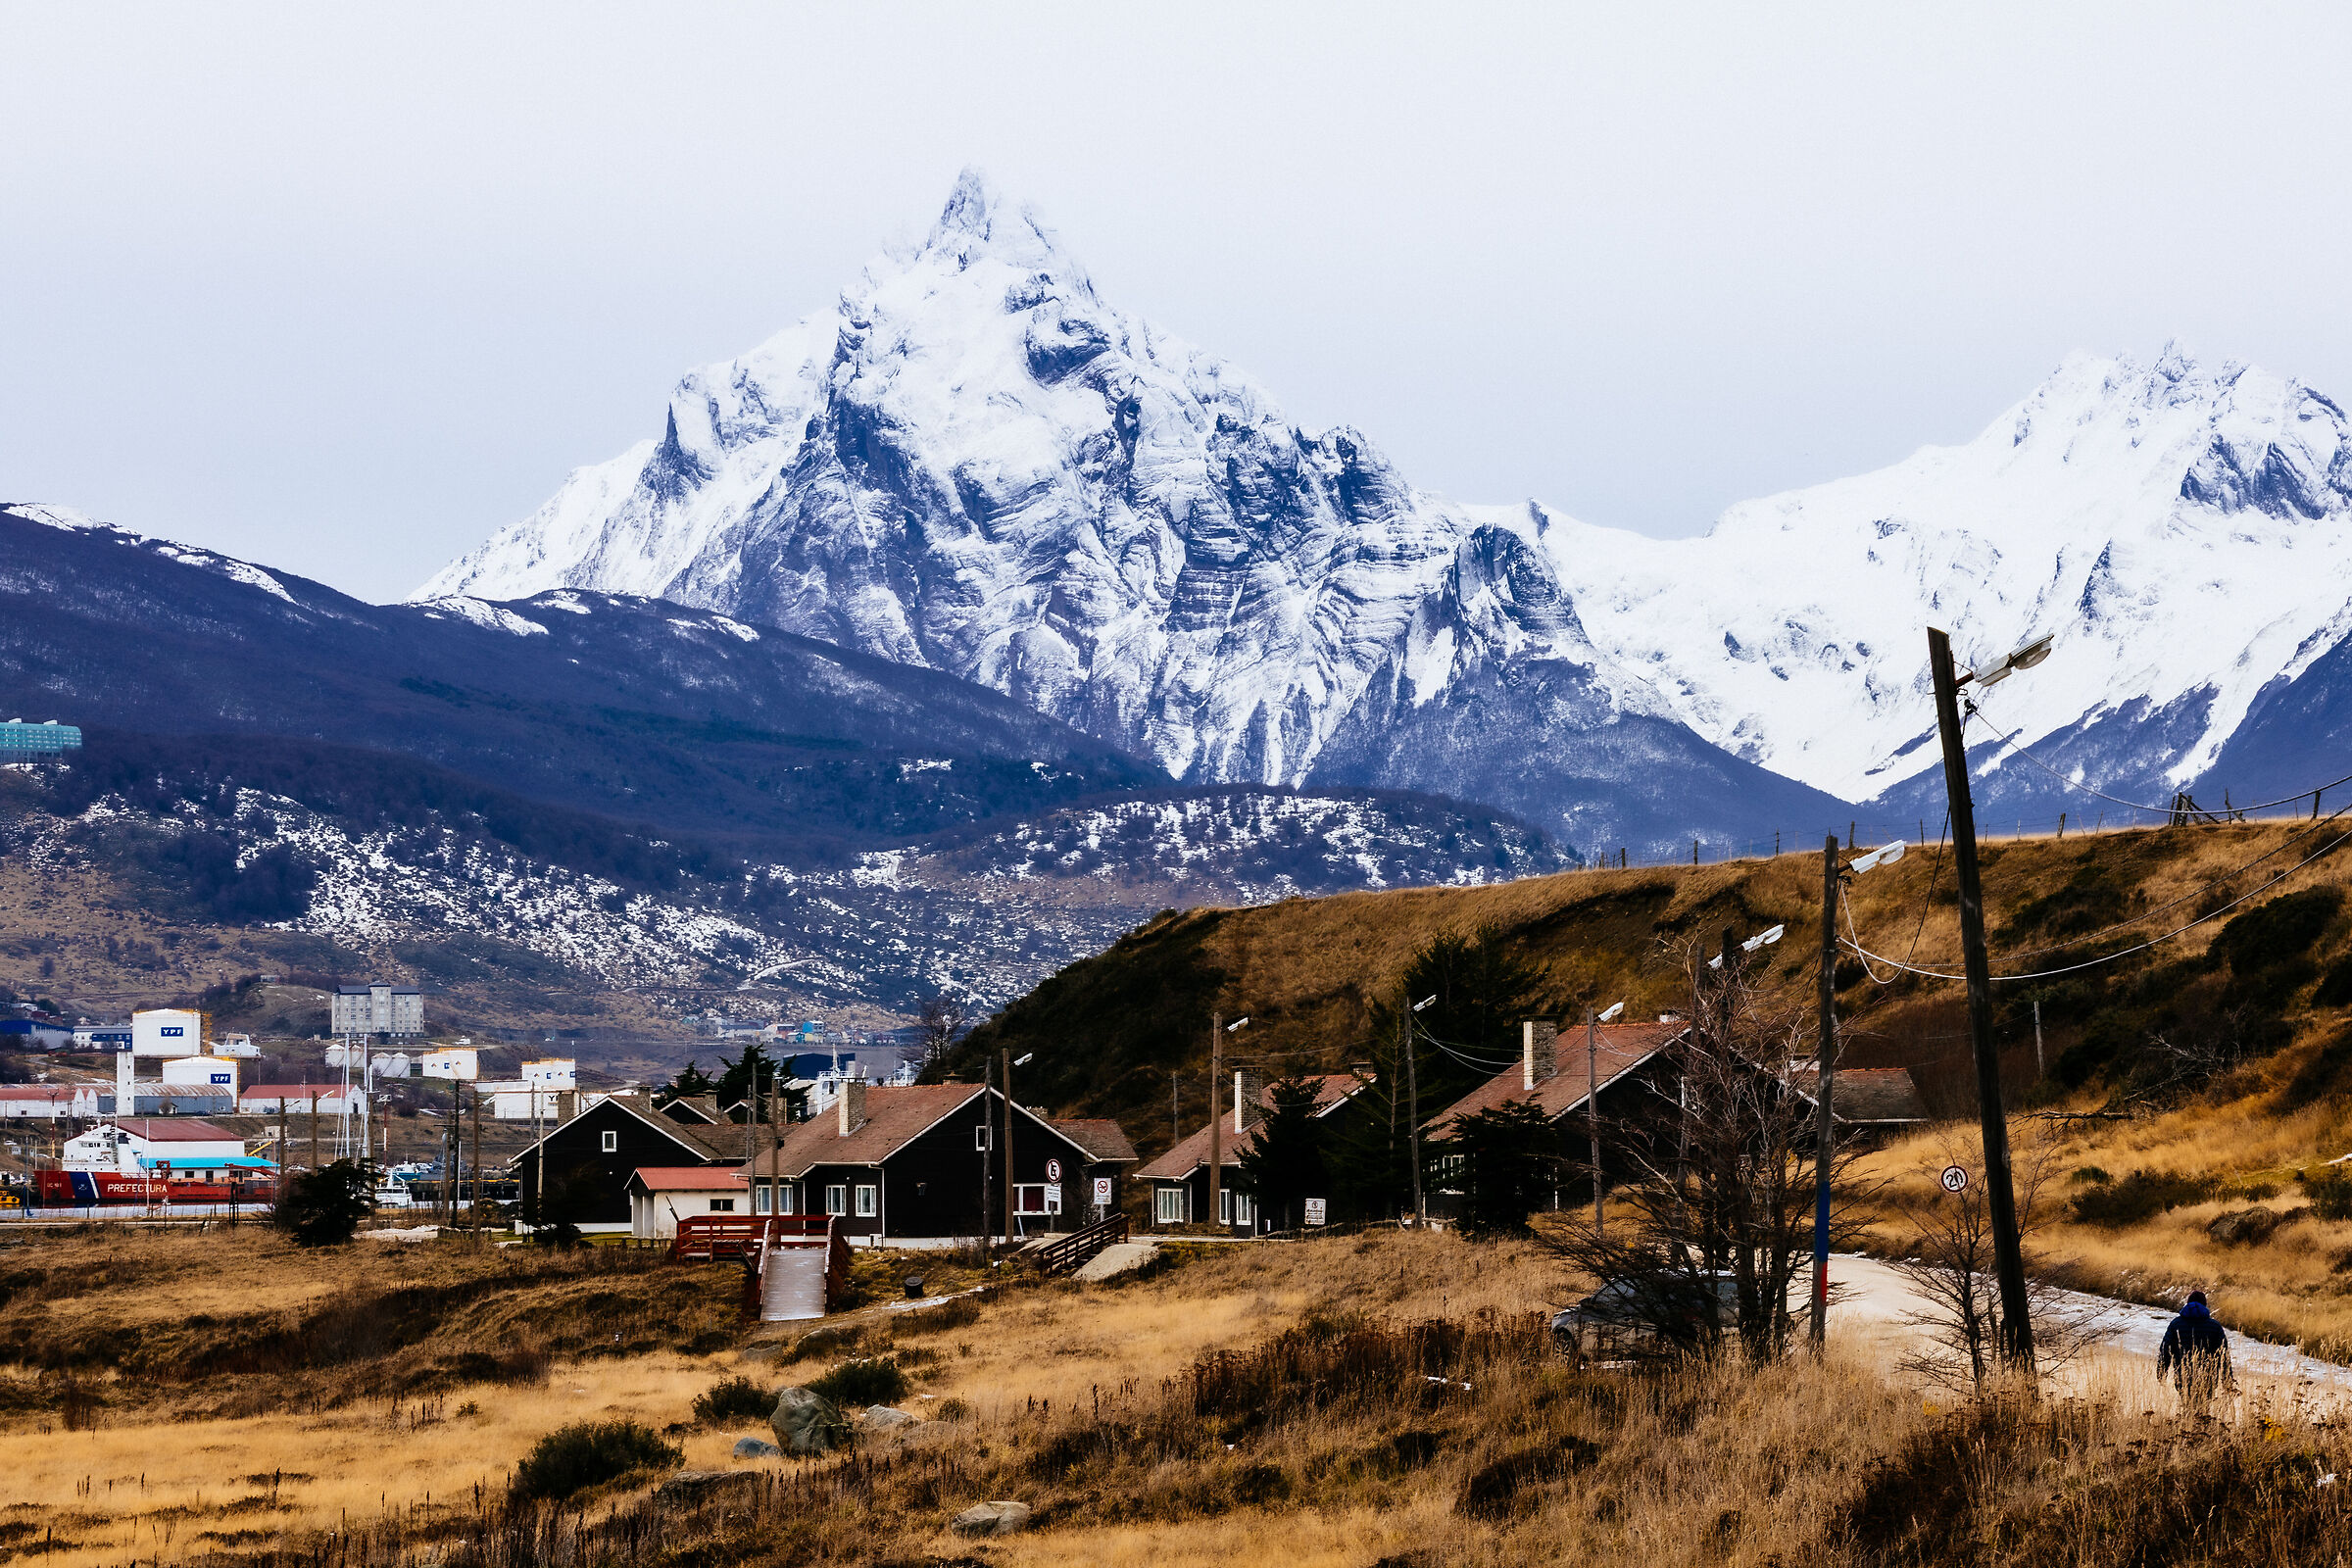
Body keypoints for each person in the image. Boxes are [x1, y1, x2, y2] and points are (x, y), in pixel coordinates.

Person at [2157, 1290, 2231, 1414]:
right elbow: (2224, 1355)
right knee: (2203, 1408)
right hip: (2208, 1377)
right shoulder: (2215, 1326)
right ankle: (2201, 1430)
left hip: (2183, 1375)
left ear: (2187, 1303)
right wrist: (2227, 1380)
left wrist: (2161, 1372)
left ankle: (2187, 1427)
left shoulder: (2176, 1323)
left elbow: (2165, 1348)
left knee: (2187, 1406)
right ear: (2205, 1305)